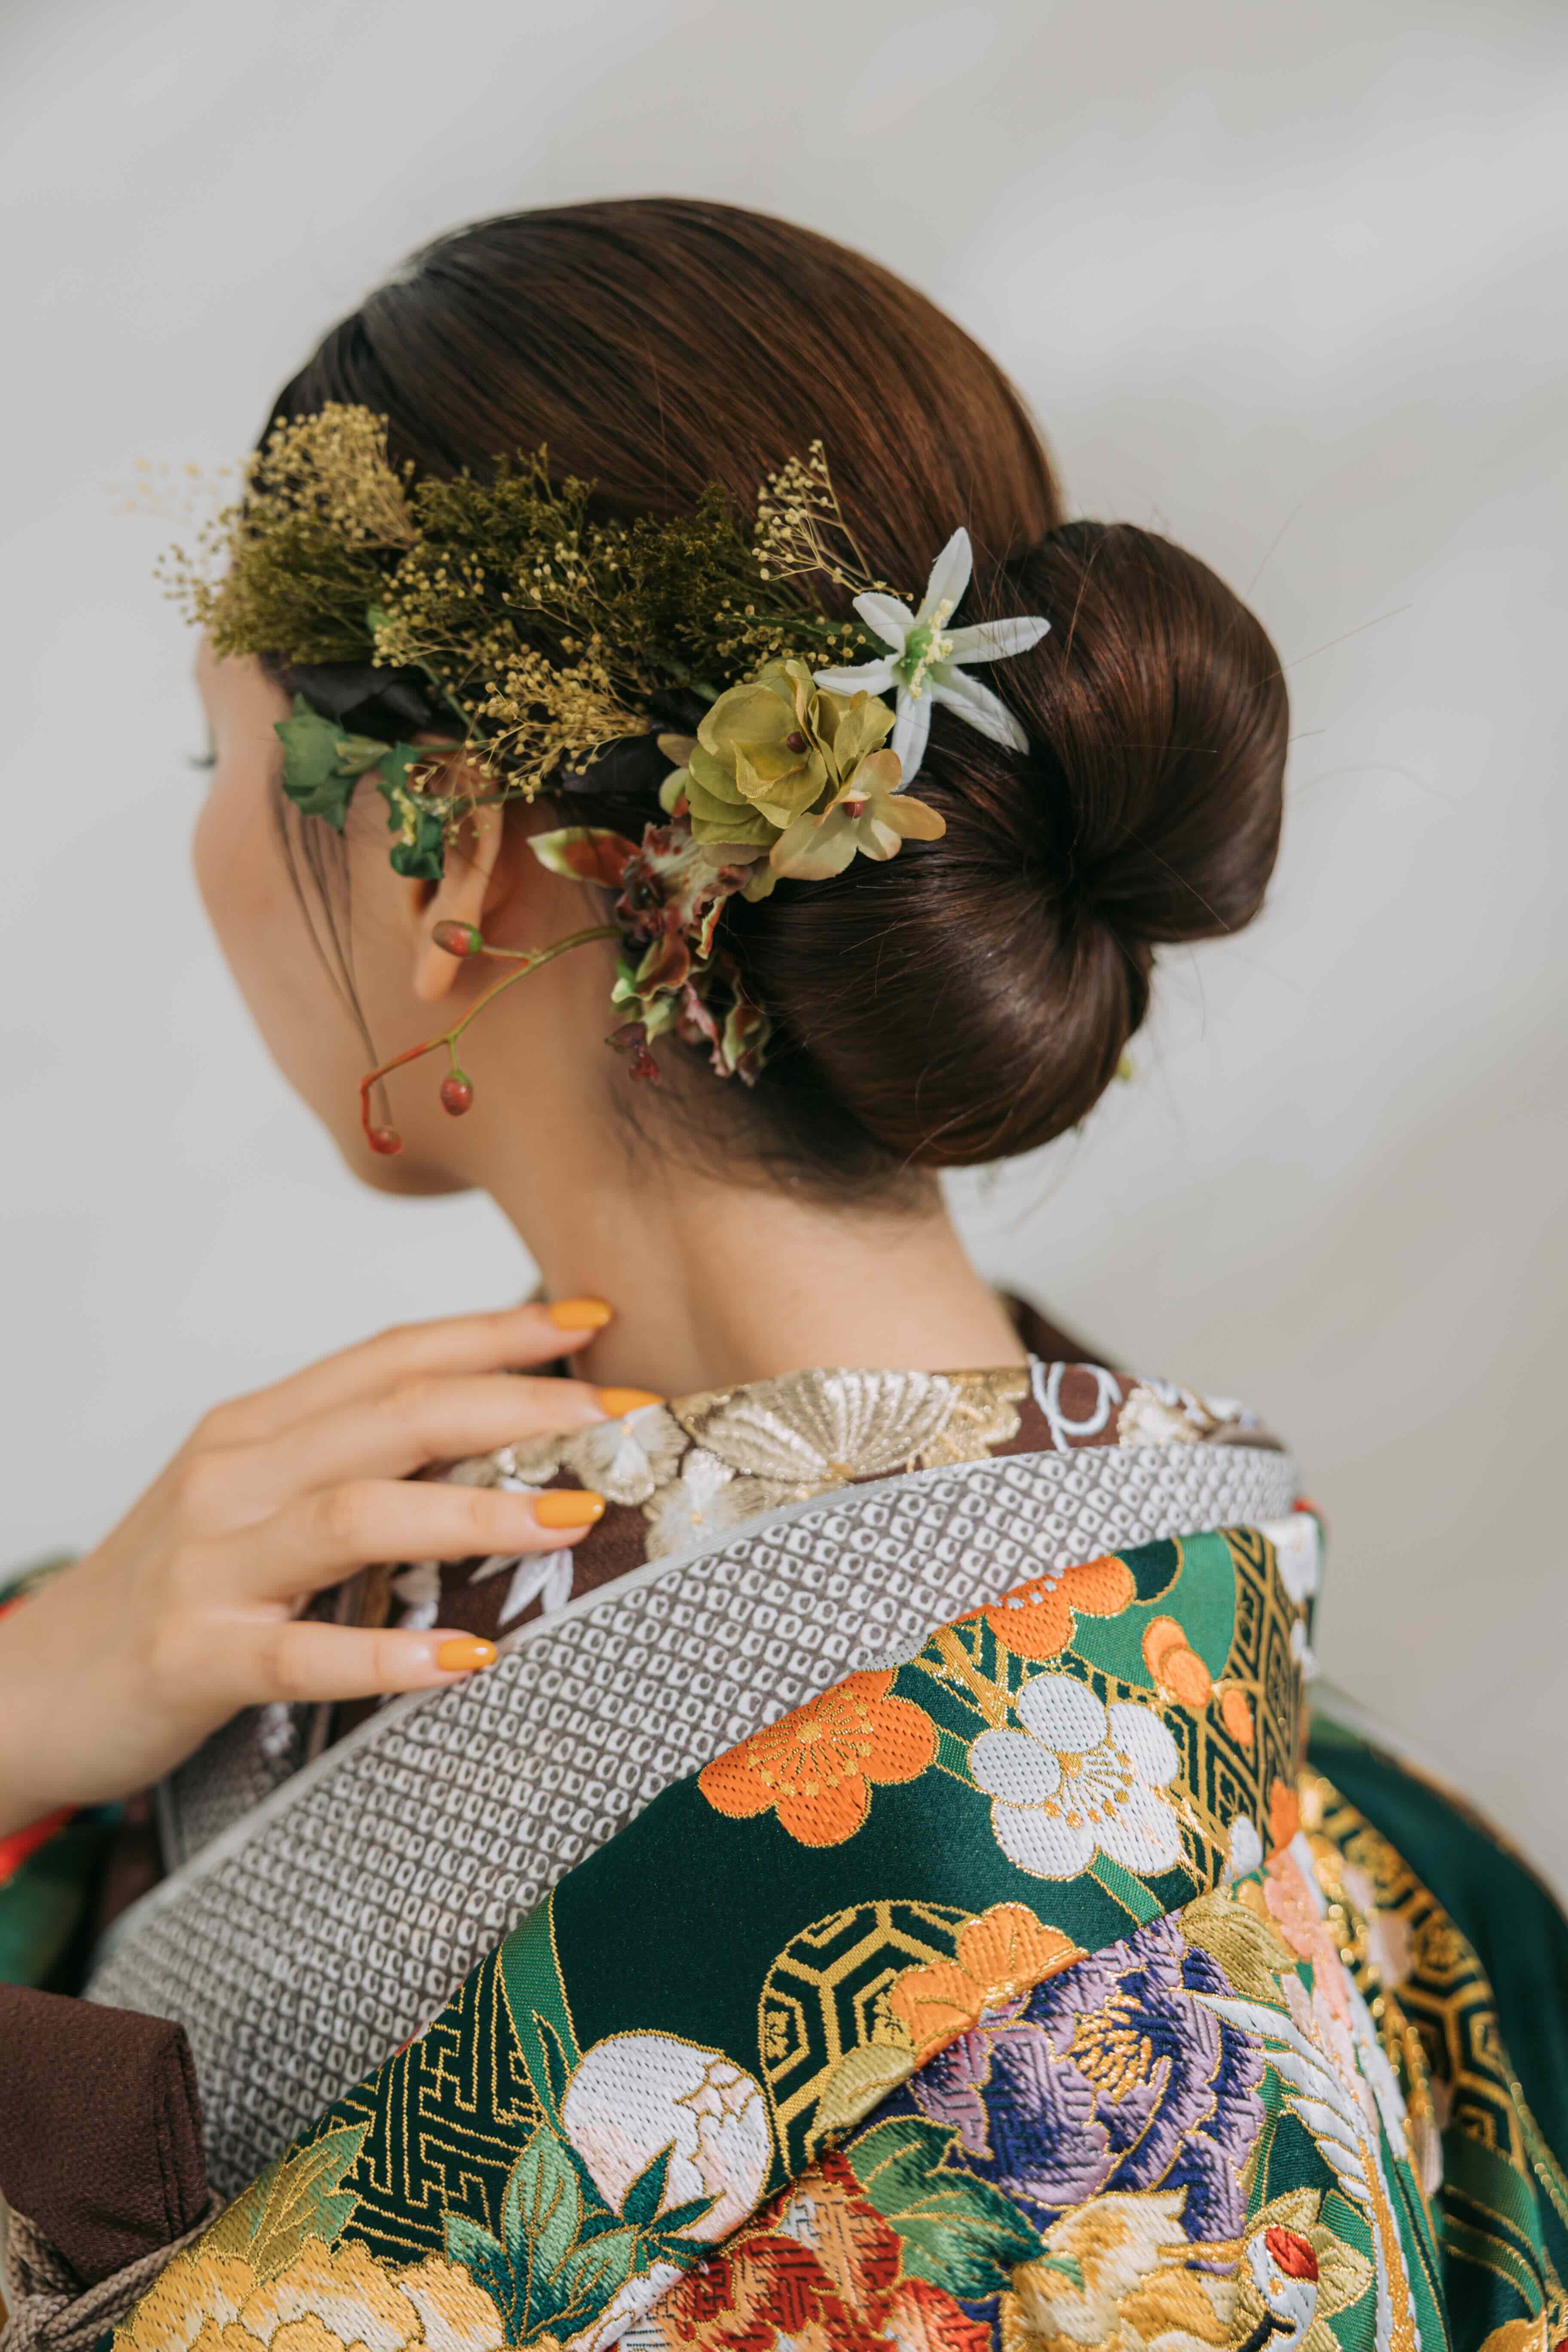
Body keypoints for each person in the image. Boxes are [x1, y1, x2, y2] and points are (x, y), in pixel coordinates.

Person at [0, 199, 1561, 2352]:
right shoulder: (1159, 1703)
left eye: (224, 763)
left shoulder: (1113, 2063)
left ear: (448, 856)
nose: (211, 846)